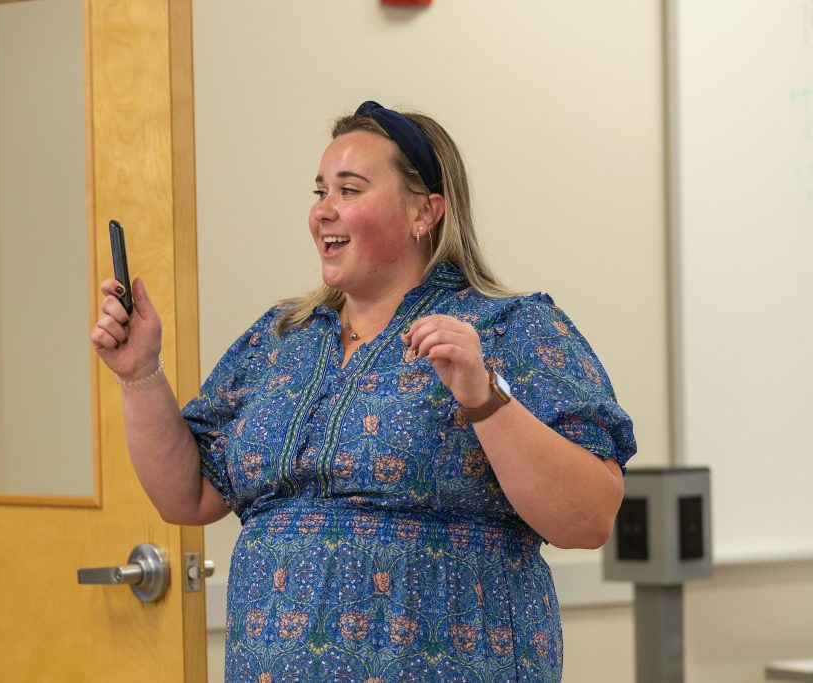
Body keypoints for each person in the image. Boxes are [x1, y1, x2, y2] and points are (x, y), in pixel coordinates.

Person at [91, 101, 635, 682]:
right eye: (320, 190)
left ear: (425, 212)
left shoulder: (510, 329)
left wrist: (485, 398)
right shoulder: (280, 338)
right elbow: (190, 497)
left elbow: (590, 518)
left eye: (349, 190)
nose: (323, 211)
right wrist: (140, 373)